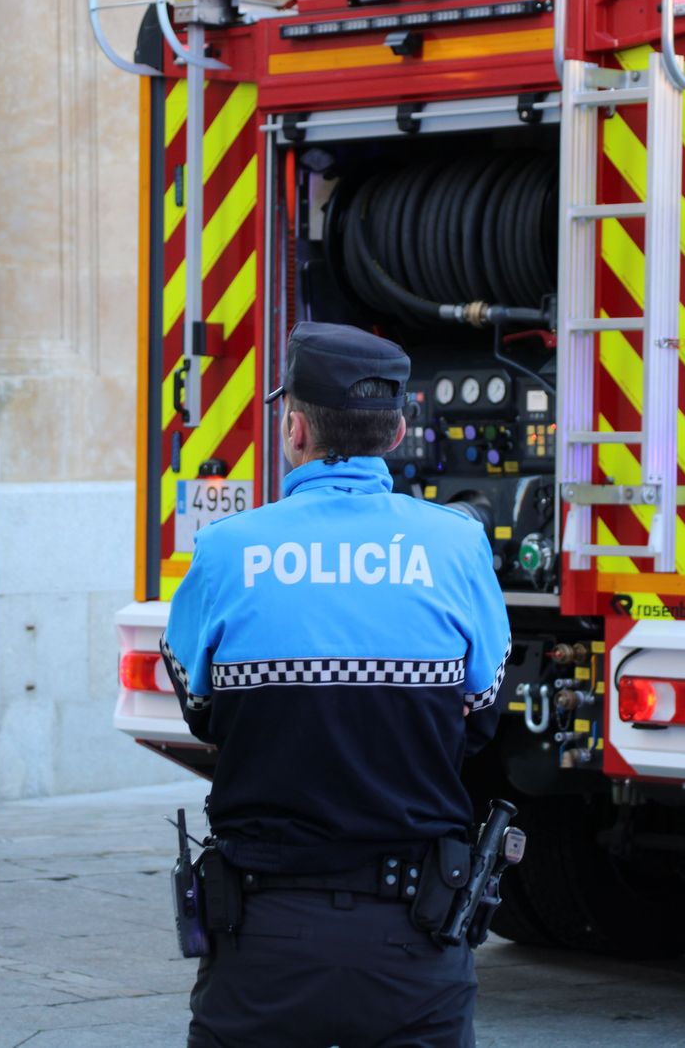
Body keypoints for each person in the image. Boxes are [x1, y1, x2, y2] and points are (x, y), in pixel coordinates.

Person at [161, 321, 511, 1048]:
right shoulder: (456, 545)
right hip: (416, 939)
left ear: (294, 429)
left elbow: (200, 708)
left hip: (261, 941)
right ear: (396, 432)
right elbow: (479, 714)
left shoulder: (227, 550)